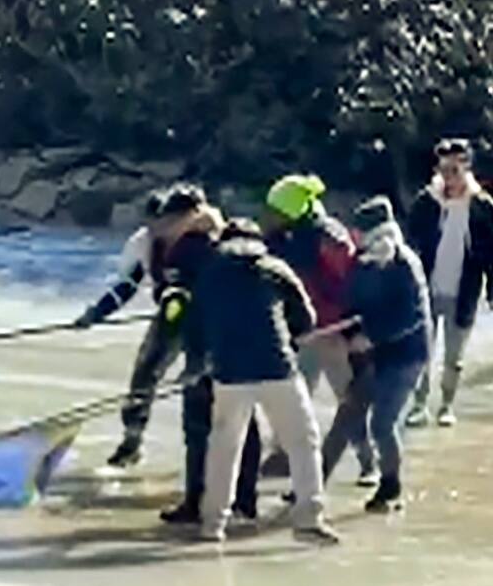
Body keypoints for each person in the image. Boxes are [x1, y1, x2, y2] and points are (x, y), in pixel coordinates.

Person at [185, 219, 339, 544]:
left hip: (228, 372)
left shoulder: (209, 273)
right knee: (302, 441)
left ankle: (213, 524)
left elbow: (194, 325)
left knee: (224, 447)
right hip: (276, 366)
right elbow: (306, 317)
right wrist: (292, 335)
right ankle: (309, 519)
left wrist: (198, 362)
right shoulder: (274, 267)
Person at [149, 185, 263, 525]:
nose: (164, 226)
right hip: (240, 344)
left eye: (169, 219)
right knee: (243, 426)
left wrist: (173, 322)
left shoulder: (187, 249)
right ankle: (244, 501)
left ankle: (197, 501)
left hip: (204, 348)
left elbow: (178, 304)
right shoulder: (227, 240)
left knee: (199, 427)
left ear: (184, 217)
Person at [260, 174, 377, 486]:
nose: (268, 217)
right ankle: (283, 455)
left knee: (347, 399)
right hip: (303, 334)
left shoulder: (330, 240)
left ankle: (369, 462)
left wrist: (354, 332)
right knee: (290, 396)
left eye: (275, 212)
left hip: (335, 332)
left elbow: (353, 286)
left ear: (292, 212)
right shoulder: (280, 240)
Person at [323, 198, 432, 511]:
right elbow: (351, 306)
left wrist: (370, 337)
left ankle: (391, 486)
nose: (353, 238)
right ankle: (314, 484)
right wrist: (347, 335)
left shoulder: (403, 264)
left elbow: (411, 316)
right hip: (371, 355)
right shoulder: (361, 263)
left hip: (405, 356)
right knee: (349, 415)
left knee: (383, 423)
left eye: (358, 232)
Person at [74, 191, 179, 467]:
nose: (158, 230)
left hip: (208, 317)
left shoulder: (198, 241)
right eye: (152, 223)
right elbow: (128, 286)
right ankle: (132, 442)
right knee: (144, 374)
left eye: (164, 222)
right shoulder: (144, 243)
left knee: (208, 385)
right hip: (170, 317)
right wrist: (96, 314)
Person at [404, 138, 493, 427]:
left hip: (464, 291)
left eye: (454, 169)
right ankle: (419, 405)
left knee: (454, 358)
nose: (448, 177)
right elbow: (409, 243)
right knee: (422, 353)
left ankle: (446, 405)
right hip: (426, 289)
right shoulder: (426, 201)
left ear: (466, 167)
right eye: (444, 169)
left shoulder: (481, 206)